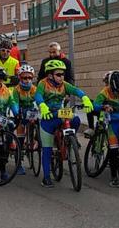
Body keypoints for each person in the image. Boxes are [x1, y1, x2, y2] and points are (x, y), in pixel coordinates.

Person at [35, 59, 93, 188]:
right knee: (47, 149)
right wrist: (43, 105)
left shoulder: (64, 84)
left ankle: (70, 139)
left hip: (60, 113)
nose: (62, 77)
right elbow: (38, 96)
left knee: (76, 119)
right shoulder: (42, 84)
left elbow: (76, 91)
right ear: (50, 75)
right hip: (48, 116)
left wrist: (85, 98)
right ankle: (46, 178)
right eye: (58, 74)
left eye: (63, 74)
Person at [37, 42, 98, 136]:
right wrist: (41, 100)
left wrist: (83, 97)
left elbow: (71, 79)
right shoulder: (45, 62)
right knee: (47, 124)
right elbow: (40, 76)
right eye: (50, 52)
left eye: (54, 52)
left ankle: (70, 138)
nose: (52, 54)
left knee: (74, 119)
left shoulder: (66, 62)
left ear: (59, 51)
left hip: (62, 92)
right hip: (47, 94)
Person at [12, 64, 37, 175]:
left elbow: (39, 101)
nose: (27, 80)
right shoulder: (16, 90)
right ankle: (19, 163)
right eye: (24, 78)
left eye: (29, 78)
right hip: (21, 112)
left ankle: (35, 139)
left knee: (39, 124)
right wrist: (17, 113)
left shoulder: (34, 89)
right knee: (20, 138)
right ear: (20, 78)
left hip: (32, 111)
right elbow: (15, 104)